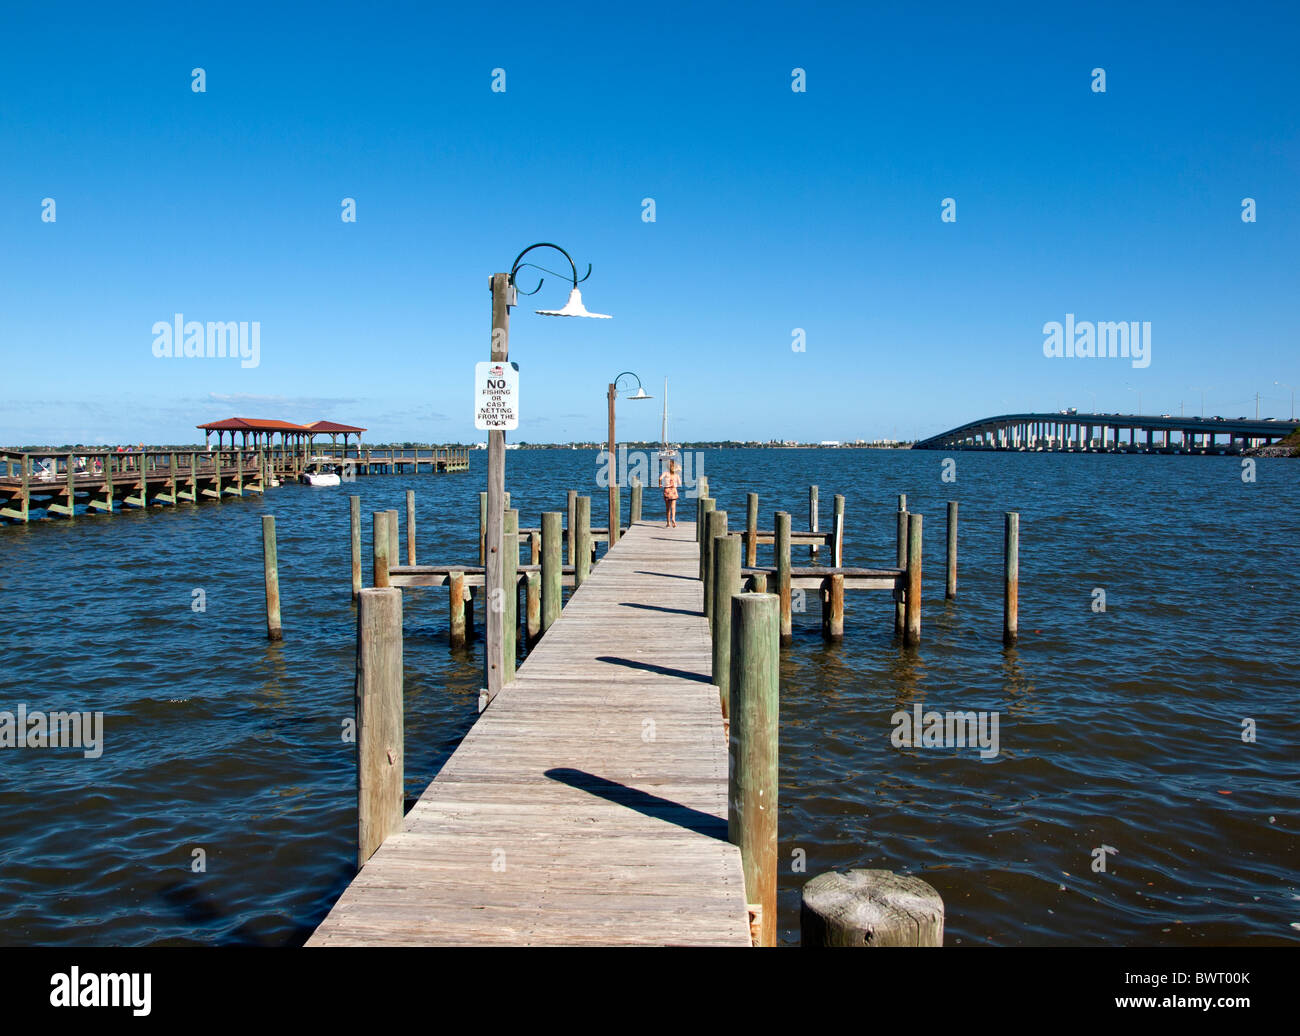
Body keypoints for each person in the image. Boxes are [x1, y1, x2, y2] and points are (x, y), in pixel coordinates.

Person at [659, 458, 680, 527]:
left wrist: (660, 484)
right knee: (673, 507)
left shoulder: (665, 472)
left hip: (667, 490)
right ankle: (673, 519)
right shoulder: (676, 474)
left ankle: (668, 523)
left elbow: (660, 478)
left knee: (668, 508)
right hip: (674, 490)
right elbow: (679, 483)